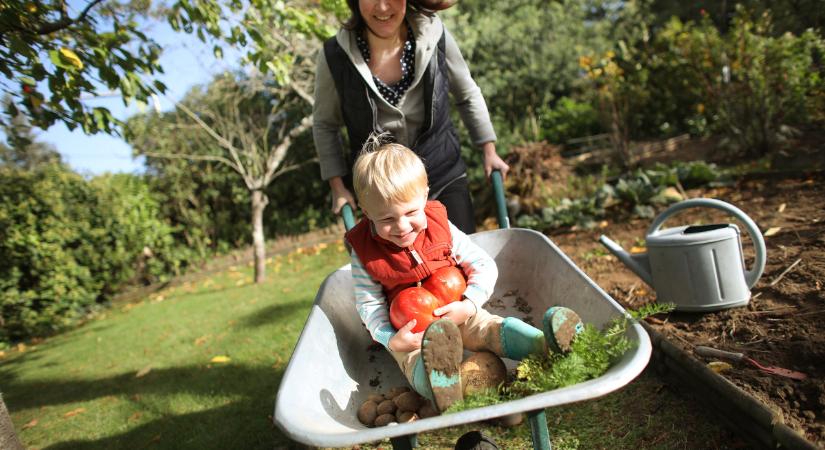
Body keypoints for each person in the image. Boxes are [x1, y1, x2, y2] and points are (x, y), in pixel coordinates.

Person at [346, 140, 583, 413]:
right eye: (386, 219)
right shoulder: (364, 252)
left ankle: (545, 344)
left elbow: (483, 264)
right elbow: (369, 304)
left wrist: (469, 304)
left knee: (490, 328)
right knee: (413, 361)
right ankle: (444, 386)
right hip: (411, 331)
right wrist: (390, 338)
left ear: (425, 195)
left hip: (457, 308)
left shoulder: (440, 226)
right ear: (366, 213)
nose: (401, 227)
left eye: (411, 212)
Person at [313, 0, 509, 234]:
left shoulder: (434, 34)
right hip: (382, 195)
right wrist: (338, 187)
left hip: (442, 174)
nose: (383, 7)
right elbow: (325, 124)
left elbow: (466, 94)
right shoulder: (334, 56)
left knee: (461, 259)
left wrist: (489, 150)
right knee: (402, 269)